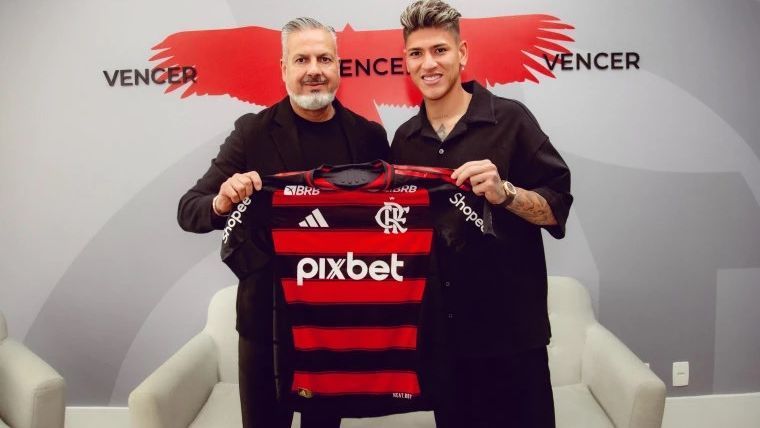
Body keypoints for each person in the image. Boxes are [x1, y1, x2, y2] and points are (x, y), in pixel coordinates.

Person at [177, 17, 389, 428]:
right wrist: (223, 200)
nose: (314, 70)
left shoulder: (369, 137)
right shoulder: (252, 133)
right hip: (266, 323)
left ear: (339, 65)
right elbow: (190, 210)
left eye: (324, 58)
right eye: (302, 59)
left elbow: (389, 220)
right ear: (284, 68)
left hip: (335, 324)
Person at [392, 1, 573, 427]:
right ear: (406, 63)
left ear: (462, 53)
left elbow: (556, 208)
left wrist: (505, 193)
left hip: (514, 336)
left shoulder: (510, 119)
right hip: (445, 342)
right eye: (417, 53)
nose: (428, 64)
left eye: (440, 50)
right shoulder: (404, 140)